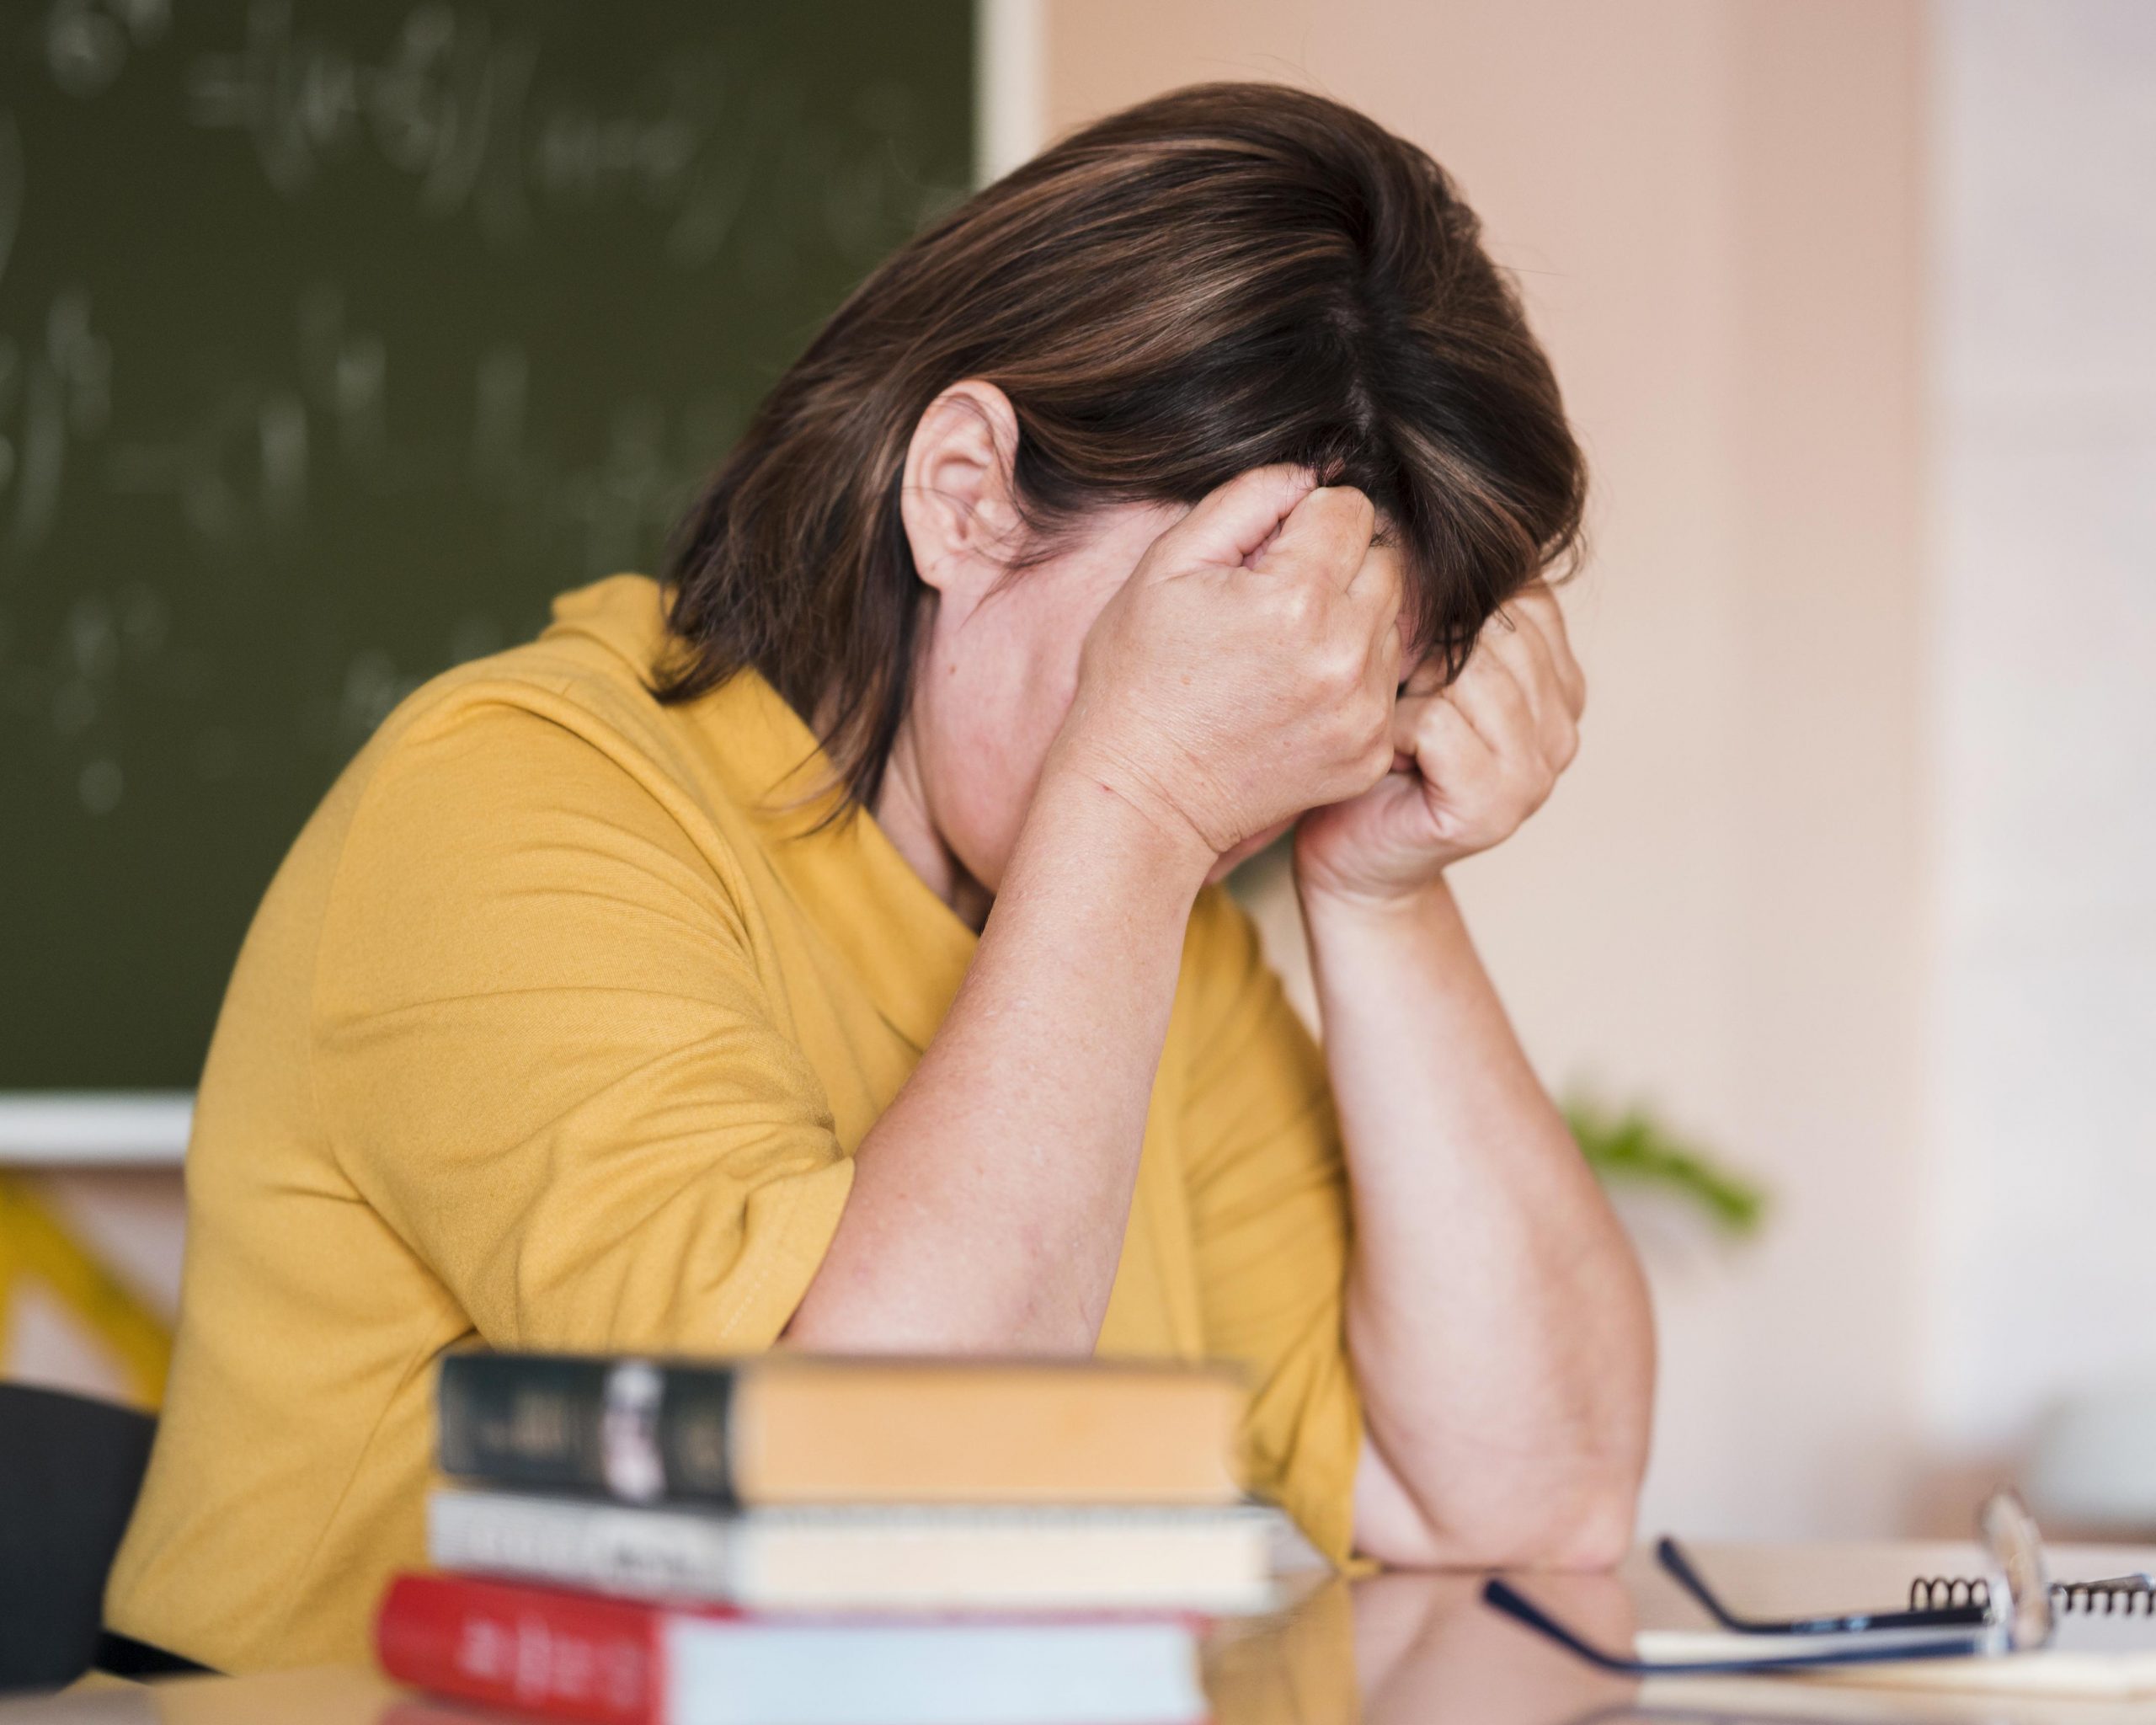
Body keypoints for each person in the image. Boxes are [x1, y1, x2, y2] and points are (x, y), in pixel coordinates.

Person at [105, 83, 1654, 1671]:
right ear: (966, 495)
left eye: (1345, 682)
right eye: (1224, 637)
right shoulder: (509, 798)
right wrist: (1137, 789)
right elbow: (852, 1491)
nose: (1276, 744)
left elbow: (1524, 1503)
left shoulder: (1155, 930)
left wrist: (1378, 887)